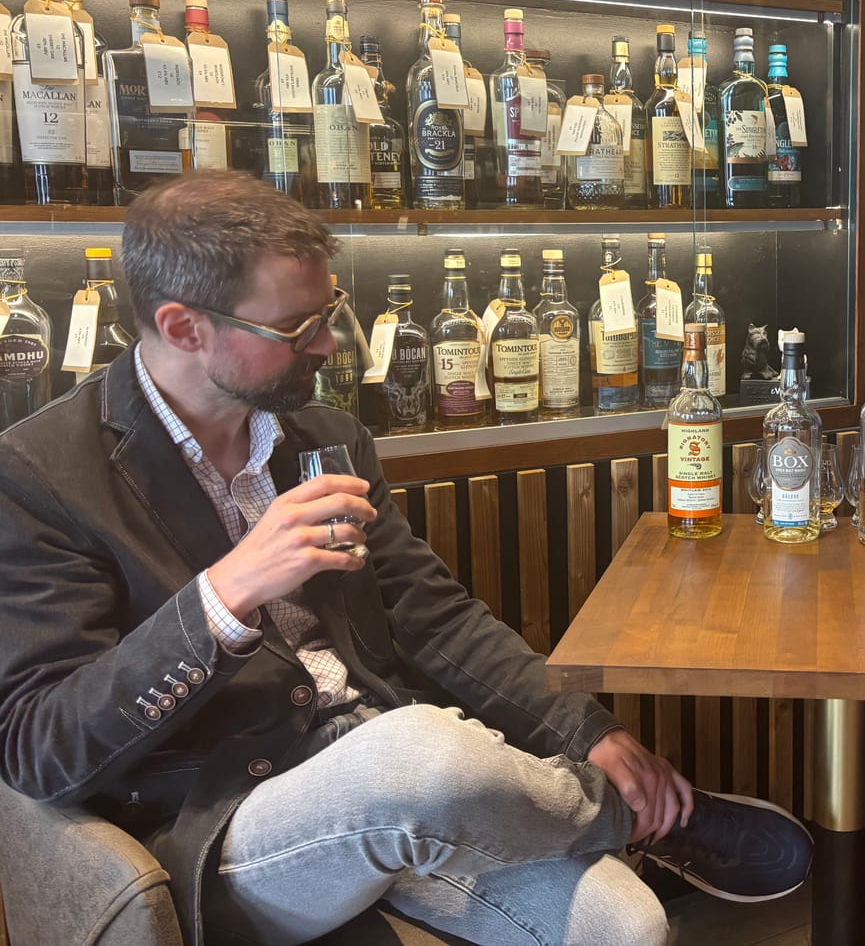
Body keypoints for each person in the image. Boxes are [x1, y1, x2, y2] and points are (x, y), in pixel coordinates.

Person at [0, 173, 811, 946]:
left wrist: (586, 729)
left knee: (627, 925)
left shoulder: (325, 436)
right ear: (184, 328)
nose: (329, 344)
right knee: (416, 752)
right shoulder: (41, 472)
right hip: (227, 817)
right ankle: (642, 814)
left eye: (330, 312)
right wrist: (224, 592)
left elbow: (434, 613)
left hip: (389, 769)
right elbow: (41, 748)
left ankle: (614, 802)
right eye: (296, 329)